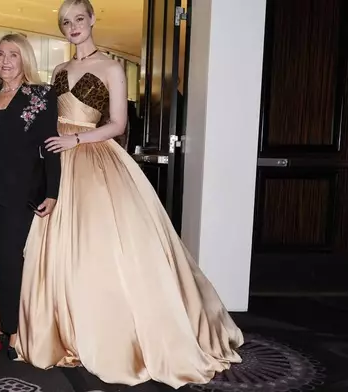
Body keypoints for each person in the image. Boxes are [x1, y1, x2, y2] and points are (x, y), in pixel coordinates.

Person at [14, 0, 244, 389]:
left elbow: (118, 124)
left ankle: (117, 338)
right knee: (58, 248)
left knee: (102, 247)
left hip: (95, 158)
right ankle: (63, 331)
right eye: (65, 22)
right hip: (59, 162)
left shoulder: (112, 67)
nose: (73, 27)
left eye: (79, 19)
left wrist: (77, 140)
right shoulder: (59, 70)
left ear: (92, 20)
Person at [0, 33, 61, 360]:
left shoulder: (40, 95)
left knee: (12, 262)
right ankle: (5, 322)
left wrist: (52, 191)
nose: (6, 61)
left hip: (20, 192)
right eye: (0, 55)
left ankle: (14, 330)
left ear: (25, 58)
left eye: (13, 54)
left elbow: (51, 146)